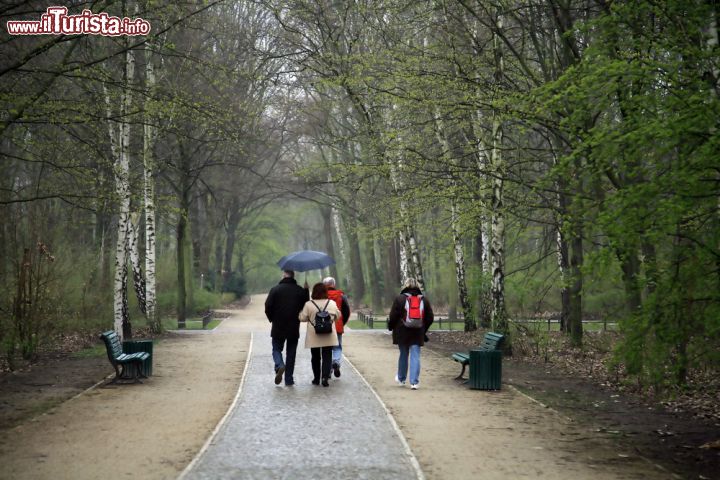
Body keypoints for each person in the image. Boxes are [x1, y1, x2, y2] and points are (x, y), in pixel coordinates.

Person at [387, 278, 434, 390]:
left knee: (403, 354)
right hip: (417, 332)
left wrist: (390, 326)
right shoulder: (424, 300)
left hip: (402, 331)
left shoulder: (400, 299)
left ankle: (401, 379)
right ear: (417, 286)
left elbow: (393, 316)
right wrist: (423, 328)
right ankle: (414, 382)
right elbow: (430, 317)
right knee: (415, 355)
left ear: (405, 286)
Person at [265, 270, 308, 386]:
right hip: (294, 326)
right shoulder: (299, 290)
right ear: (293, 276)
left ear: (284, 275)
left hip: (278, 325)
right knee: (291, 353)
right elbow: (306, 305)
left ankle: (279, 364)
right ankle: (289, 379)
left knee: (276, 349)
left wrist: (272, 318)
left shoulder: (275, 289)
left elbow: (268, 306)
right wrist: (306, 290)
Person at [299, 282, 340, 387]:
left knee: (315, 357)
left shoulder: (309, 304)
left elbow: (302, 318)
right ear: (325, 292)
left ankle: (316, 378)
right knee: (327, 356)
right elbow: (338, 315)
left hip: (314, 334)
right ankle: (325, 377)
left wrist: (308, 317)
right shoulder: (331, 303)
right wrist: (330, 320)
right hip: (328, 333)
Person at [322, 276, 350, 378]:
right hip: (337, 325)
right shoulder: (341, 296)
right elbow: (346, 311)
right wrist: (342, 322)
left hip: (324, 326)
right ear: (333, 284)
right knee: (337, 347)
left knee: (326, 349)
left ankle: (328, 370)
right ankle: (336, 362)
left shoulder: (321, 296)